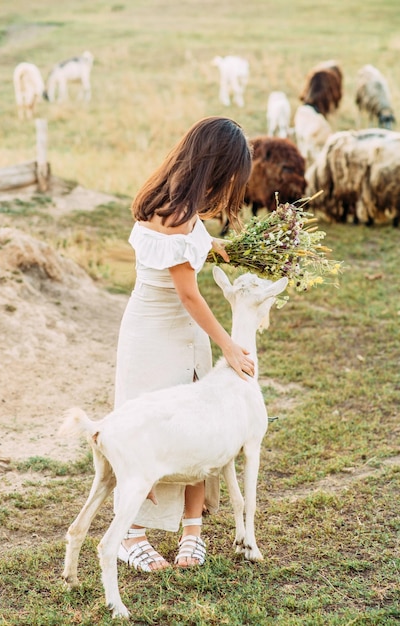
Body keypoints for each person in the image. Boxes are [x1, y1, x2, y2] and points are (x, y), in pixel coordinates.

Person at [114, 116, 255, 572]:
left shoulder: (172, 202)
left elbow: (180, 250)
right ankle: (129, 534)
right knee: (144, 432)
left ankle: (192, 529)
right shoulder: (177, 213)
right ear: (214, 167)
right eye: (231, 175)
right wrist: (229, 346)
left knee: (198, 425)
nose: (231, 186)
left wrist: (209, 245)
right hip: (155, 334)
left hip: (183, 333)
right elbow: (188, 293)